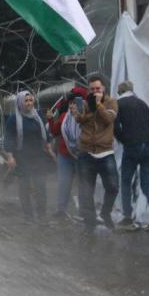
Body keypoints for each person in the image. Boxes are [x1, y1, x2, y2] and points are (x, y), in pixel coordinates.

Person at [114, 81, 149, 231]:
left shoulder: (118, 104)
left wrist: (124, 140)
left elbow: (116, 127)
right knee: (146, 183)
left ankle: (128, 217)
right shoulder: (142, 103)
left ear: (119, 92)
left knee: (125, 182)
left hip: (132, 146)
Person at [73, 74, 119, 230]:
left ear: (104, 88)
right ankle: (90, 223)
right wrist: (77, 110)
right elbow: (79, 119)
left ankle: (105, 213)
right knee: (86, 192)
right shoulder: (84, 103)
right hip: (86, 152)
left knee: (113, 187)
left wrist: (98, 104)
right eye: (92, 89)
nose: (95, 92)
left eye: (98, 88)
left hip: (105, 151)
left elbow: (108, 119)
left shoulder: (111, 102)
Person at [3, 91, 53, 222]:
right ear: (20, 103)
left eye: (31, 100)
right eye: (26, 101)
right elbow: (8, 138)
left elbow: (45, 133)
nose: (29, 103)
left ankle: (42, 215)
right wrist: (10, 156)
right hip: (22, 158)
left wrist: (48, 146)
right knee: (24, 188)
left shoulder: (38, 115)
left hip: (39, 156)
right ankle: (28, 216)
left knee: (41, 186)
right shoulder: (13, 119)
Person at [46, 86, 88, 224]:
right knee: (64, 183)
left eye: (75, 103)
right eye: (70, 103)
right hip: (64, 156)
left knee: (83, 184)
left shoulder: (87, 117)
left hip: (82, 156)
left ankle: (84, 212)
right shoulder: (64, 117)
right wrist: (51, 120)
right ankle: (61, 209)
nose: (72, 106)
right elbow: (54, 131)